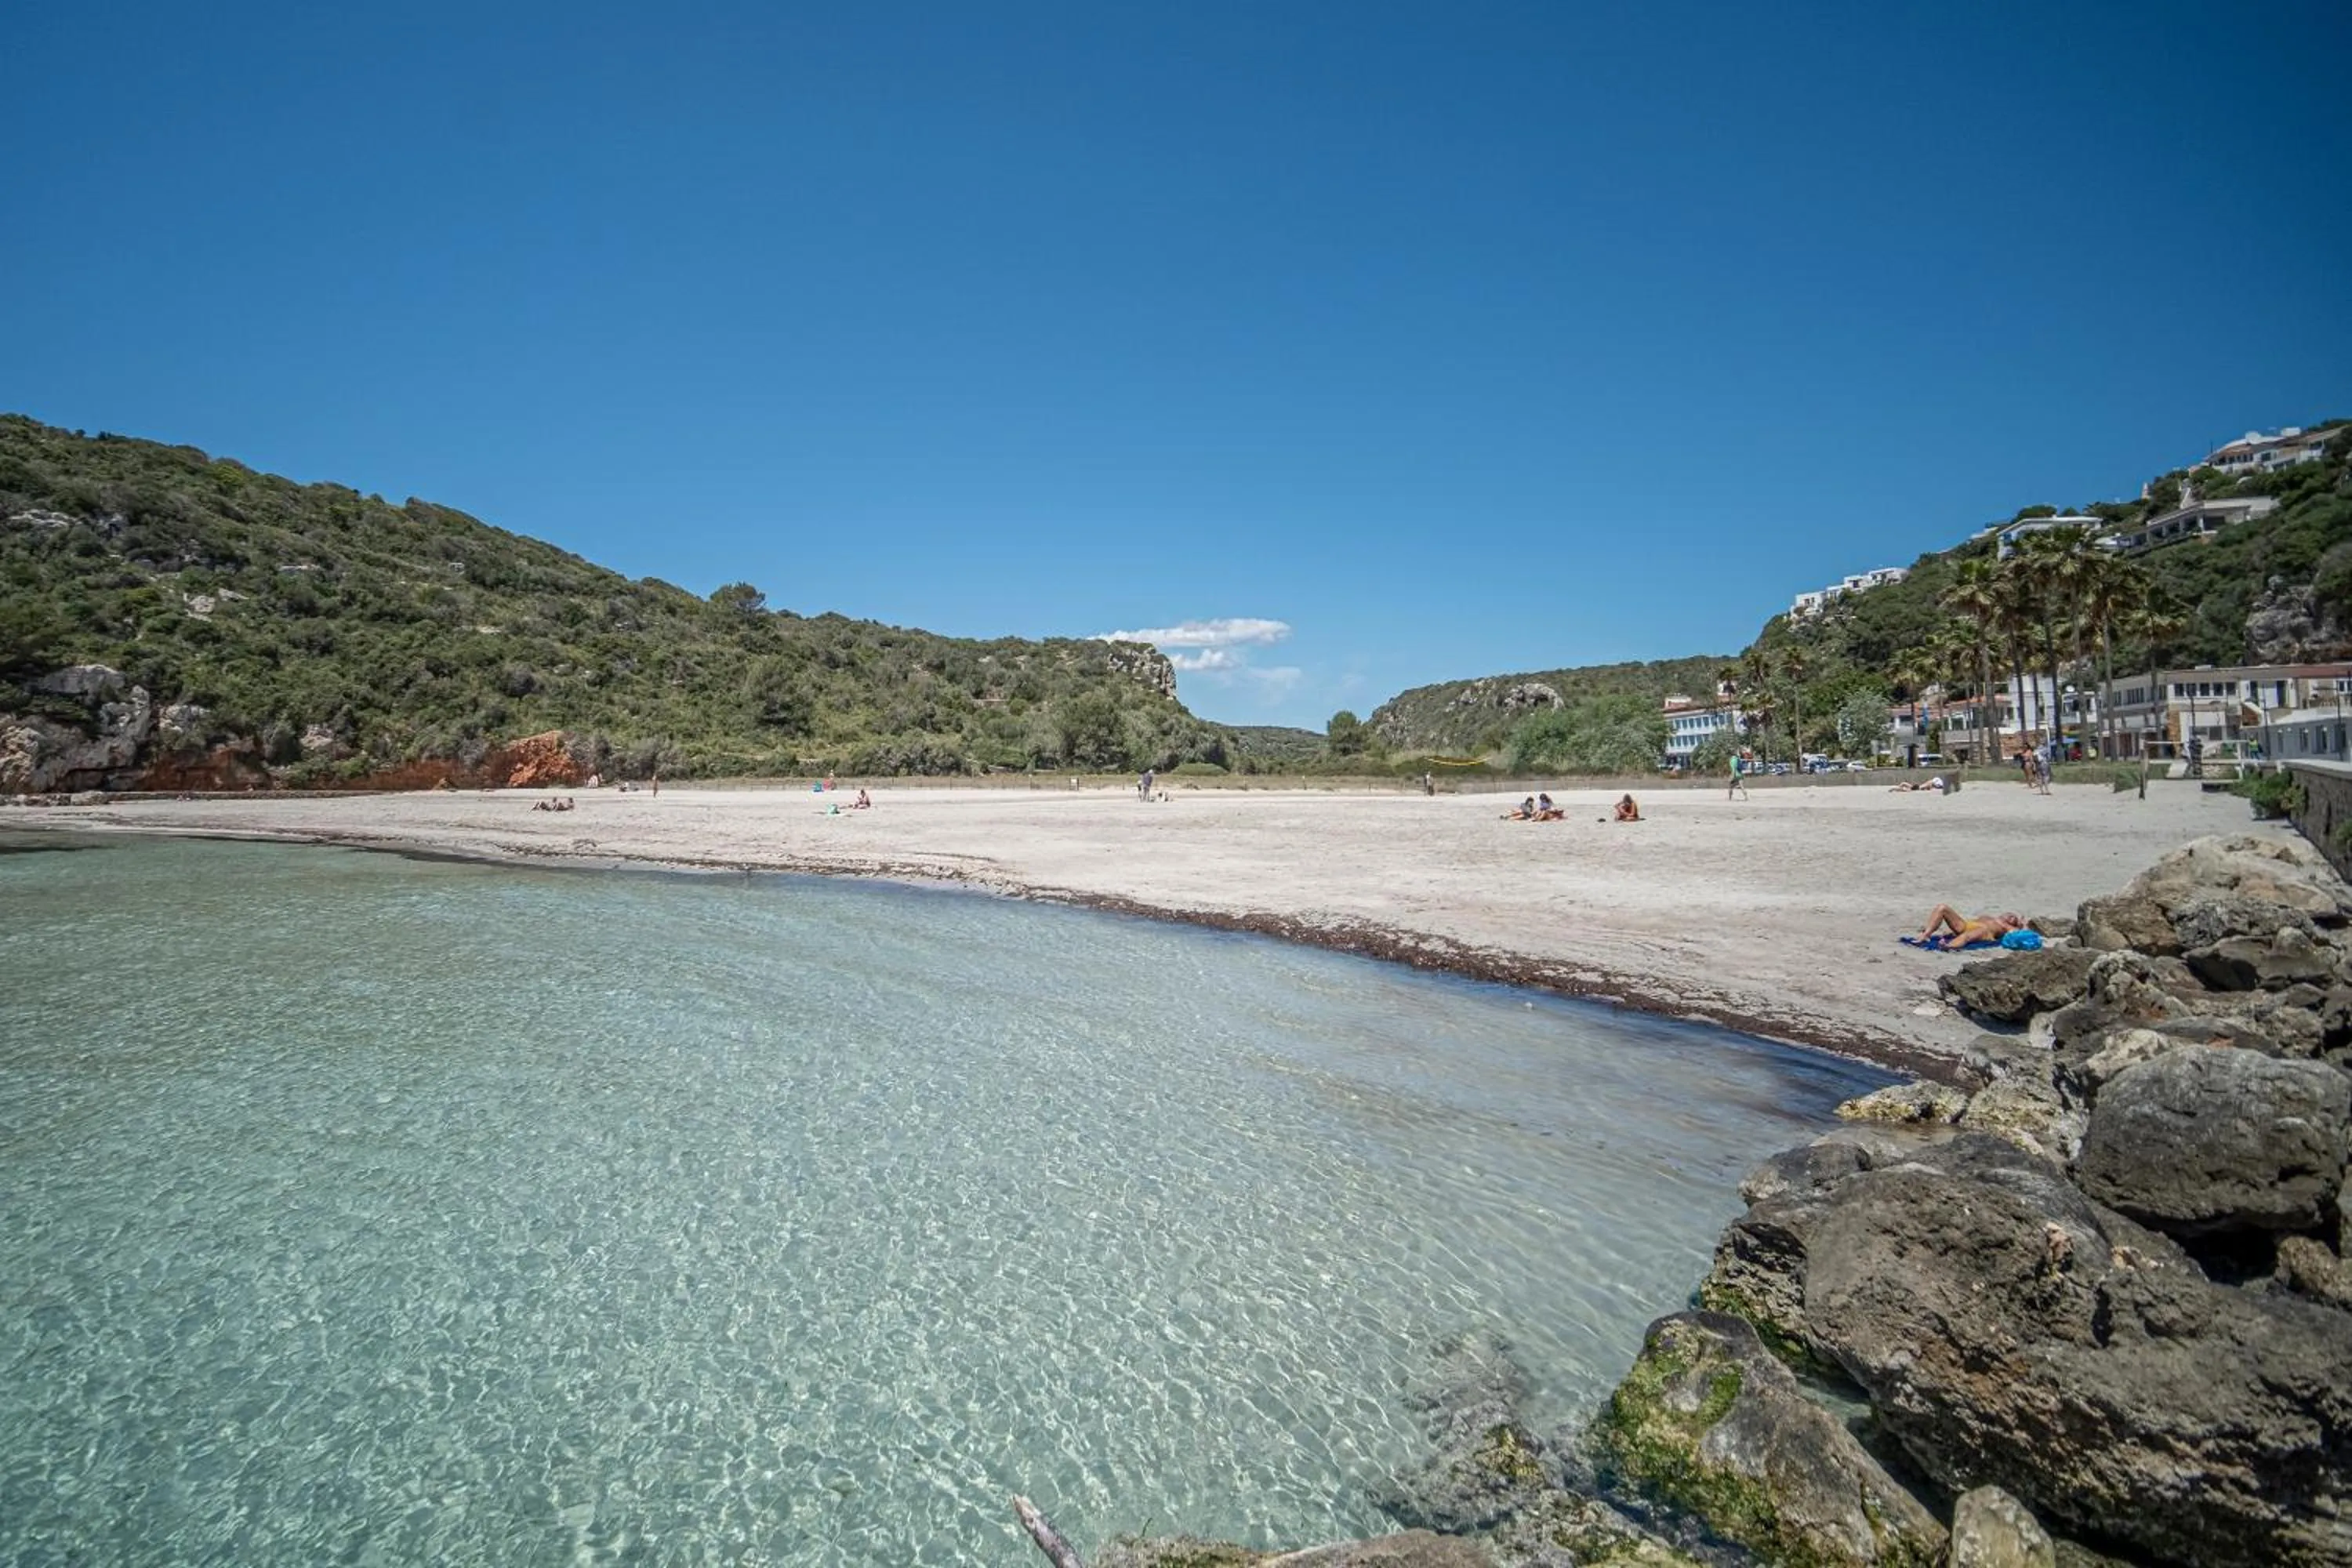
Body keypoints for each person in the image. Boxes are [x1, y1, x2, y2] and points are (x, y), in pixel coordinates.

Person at [1914, 905, 2024, 949]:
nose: (2012, 917)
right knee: (1942, 908)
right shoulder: (1988, 917)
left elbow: (2020, 934)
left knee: (1966, 936)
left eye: (2014, 919)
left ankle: (1948, 946)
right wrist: (1951, 933)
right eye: (2011, 915)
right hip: (1966, 925)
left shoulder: (2006, 927)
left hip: (1985, 932)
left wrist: (2022, 924)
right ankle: (1926, 935)